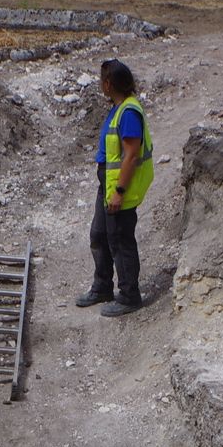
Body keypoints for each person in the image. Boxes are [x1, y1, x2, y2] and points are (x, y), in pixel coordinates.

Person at [76, 59, 153, 317]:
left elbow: (131, 155)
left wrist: (119, 191)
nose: (101, 85)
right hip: (107, 186)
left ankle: (130, 295)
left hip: (121, 189)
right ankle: (103, 287)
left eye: (102, 80)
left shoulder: (129, 113)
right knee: (99, 235)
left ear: (109, 84)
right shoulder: (118, 107)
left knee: (120, 240)